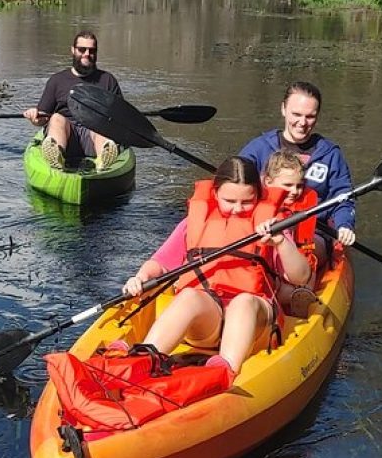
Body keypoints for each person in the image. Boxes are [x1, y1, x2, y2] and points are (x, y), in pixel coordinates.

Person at [118, 156, 311, 382]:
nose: (237, 209)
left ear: (258, 196)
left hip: (255, 321)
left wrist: (280, 242)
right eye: (229, 200)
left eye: (247, 202)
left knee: (243, 302)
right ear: (215, 193)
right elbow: (160, 262)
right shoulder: (194, 223)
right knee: (189, 295)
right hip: (207, 322)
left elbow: (301, 277)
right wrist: (140, 277)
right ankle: (145, 359)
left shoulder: (271, 225)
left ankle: (224, 371)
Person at [239, 81, 356, 263]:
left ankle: (299, 282)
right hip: (262, 227)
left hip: (312, 233)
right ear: (284, 109)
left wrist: (344, 225)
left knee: (298, 249)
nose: (302, 123)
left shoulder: (330, 154)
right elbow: (234, 184)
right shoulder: (258, 148)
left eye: (310, 116)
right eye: (296, 114)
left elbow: (343, 197)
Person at [23, 31, 121, 171]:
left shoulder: (108, 80)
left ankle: (103, 160)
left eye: (91, 50)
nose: (87, 54)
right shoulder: (57, 80)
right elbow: (42, 118)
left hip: (94, 138)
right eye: (82, 49)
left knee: (101, 121)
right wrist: (34, 117)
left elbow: (121, 118)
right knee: (56, 117)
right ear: (73, 50)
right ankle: (57, 155)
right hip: (66, 138)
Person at [262, 149, 319, 317]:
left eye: (299, 185)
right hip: (269, 268)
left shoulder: (303, 203)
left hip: (296, 262)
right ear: (268, 182)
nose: (295, 191)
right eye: (288, 185)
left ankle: (299, 299)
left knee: (309, 276)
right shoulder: (254, 203)